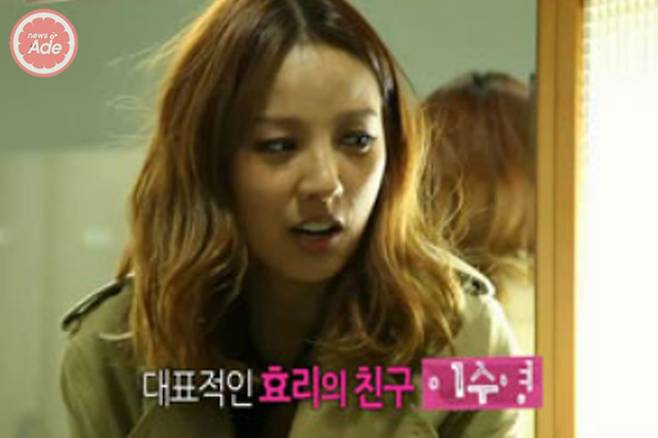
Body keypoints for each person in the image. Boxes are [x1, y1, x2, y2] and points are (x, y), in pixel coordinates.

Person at [60, 2, 520, 437]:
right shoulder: (108, 349)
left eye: (357, 140)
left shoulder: (477, 337)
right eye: (279, 145)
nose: (325, 182)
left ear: (393, 149)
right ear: (208, 163)